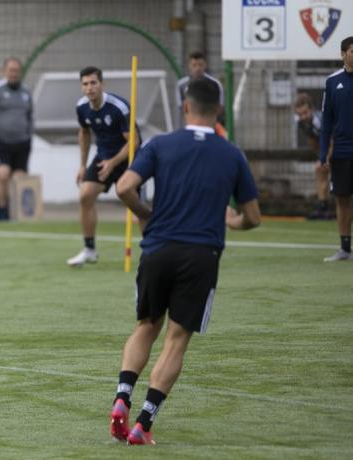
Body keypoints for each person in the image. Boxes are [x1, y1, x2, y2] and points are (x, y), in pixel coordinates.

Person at [109, 77, 261, 445]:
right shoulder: (232, 154)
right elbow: (253, 217)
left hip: (158, 248)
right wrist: (231, 220)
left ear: (185, 106)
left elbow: (123, 187)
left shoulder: (161, 144)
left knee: (146, 325)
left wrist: (146, 214)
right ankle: (143, 424)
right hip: (200, 255)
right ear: (219, 111)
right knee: (176, 340)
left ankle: (121, 398)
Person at [66, 66, 140, 267]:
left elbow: (134, 141)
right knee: (85, 196)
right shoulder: (82, 107)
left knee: (137, 209)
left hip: (129, 159)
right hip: (103, 157)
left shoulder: (118, 107)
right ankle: (89, 250)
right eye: (85, 84)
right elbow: (84, 134)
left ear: (102, 84)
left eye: (93, 83)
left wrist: (113, 163)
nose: (89, 88)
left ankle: (152, 250)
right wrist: (82, 165)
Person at [0, 57, 33, 220]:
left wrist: (29, 134)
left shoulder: (26, 92)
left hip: (22, 142)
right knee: (3, 175)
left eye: (17, 71)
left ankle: (19, 213)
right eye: (11, 70)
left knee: (19, 178)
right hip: (1, 142)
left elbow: (30, 116)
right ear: (5, 72)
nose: (14, 74)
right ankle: (3, 211)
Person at [320, 36, 353, 262]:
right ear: (343, 54)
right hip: (341, 151)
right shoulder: (333, 82)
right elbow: (326, 121)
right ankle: (344, 248)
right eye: (352, 50)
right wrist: (323, 153)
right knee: (342, 198)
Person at [294, 93, 332, 220]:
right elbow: (313, 140)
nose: (303, 117)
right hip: (329, 149)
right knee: (320, 172)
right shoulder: (301, 123)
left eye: (305, 113)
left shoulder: (319, 120)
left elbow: (333, 139)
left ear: (311, 109)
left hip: (341, 145)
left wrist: (326, 158)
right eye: (300, 114)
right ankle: (323, 208)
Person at [175, 51, 224, 129]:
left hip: (210, 127)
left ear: (205, 65)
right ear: (189, 66)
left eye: (200, 65)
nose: (198, 68)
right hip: (189, 127)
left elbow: (220, 107)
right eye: (194, 65)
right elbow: (180, 109)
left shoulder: (215, 84)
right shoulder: (181, 85)